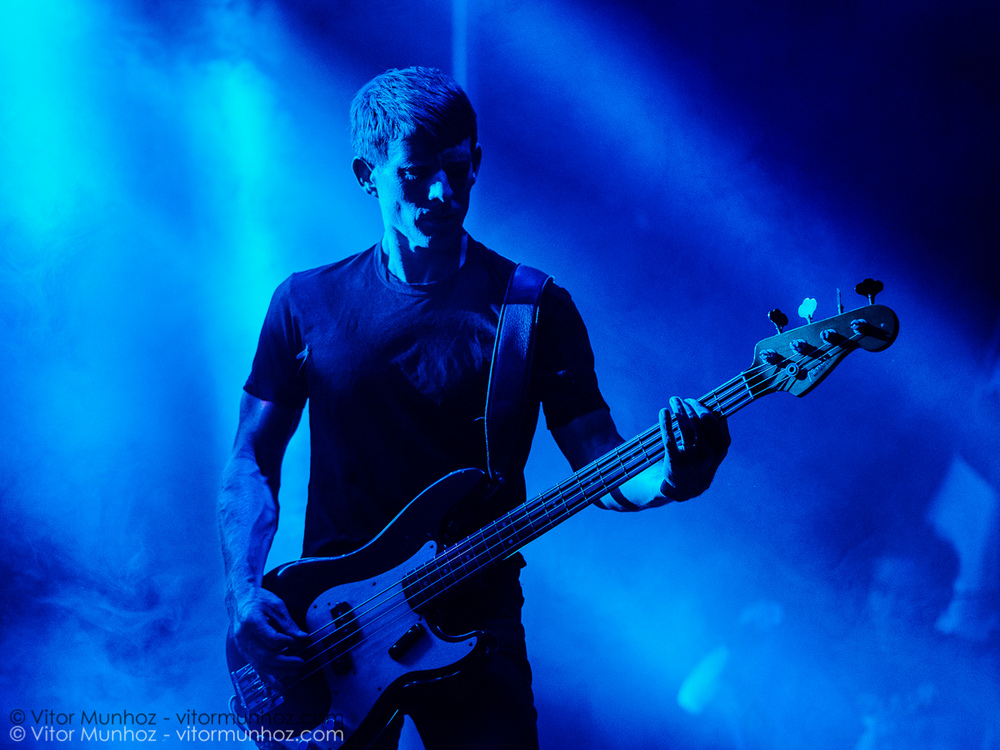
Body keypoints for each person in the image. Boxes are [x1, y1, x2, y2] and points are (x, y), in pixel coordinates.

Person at [218, 66, 730, 749]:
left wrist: (673, 477)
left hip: (477, 622)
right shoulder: (304, 303)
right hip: (333, 627)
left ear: (478, 162)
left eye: (458, 168)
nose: (442, 191)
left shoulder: (533, 308)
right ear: (366, 175)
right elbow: (251, 457)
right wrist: (246, 593)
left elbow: (601, 464)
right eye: (415, 173)